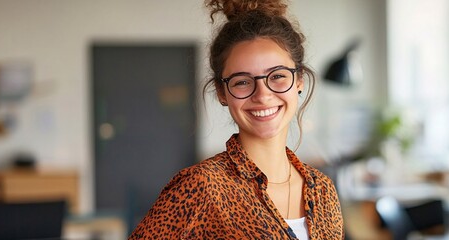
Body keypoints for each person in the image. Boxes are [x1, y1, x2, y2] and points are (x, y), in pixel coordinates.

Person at [129, 0, 344, 239]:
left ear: (300, 79)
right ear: (222, 93)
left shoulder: (323, 190)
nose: (262, 94)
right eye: (242, 81)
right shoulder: (203, 186)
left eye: (278, 76)